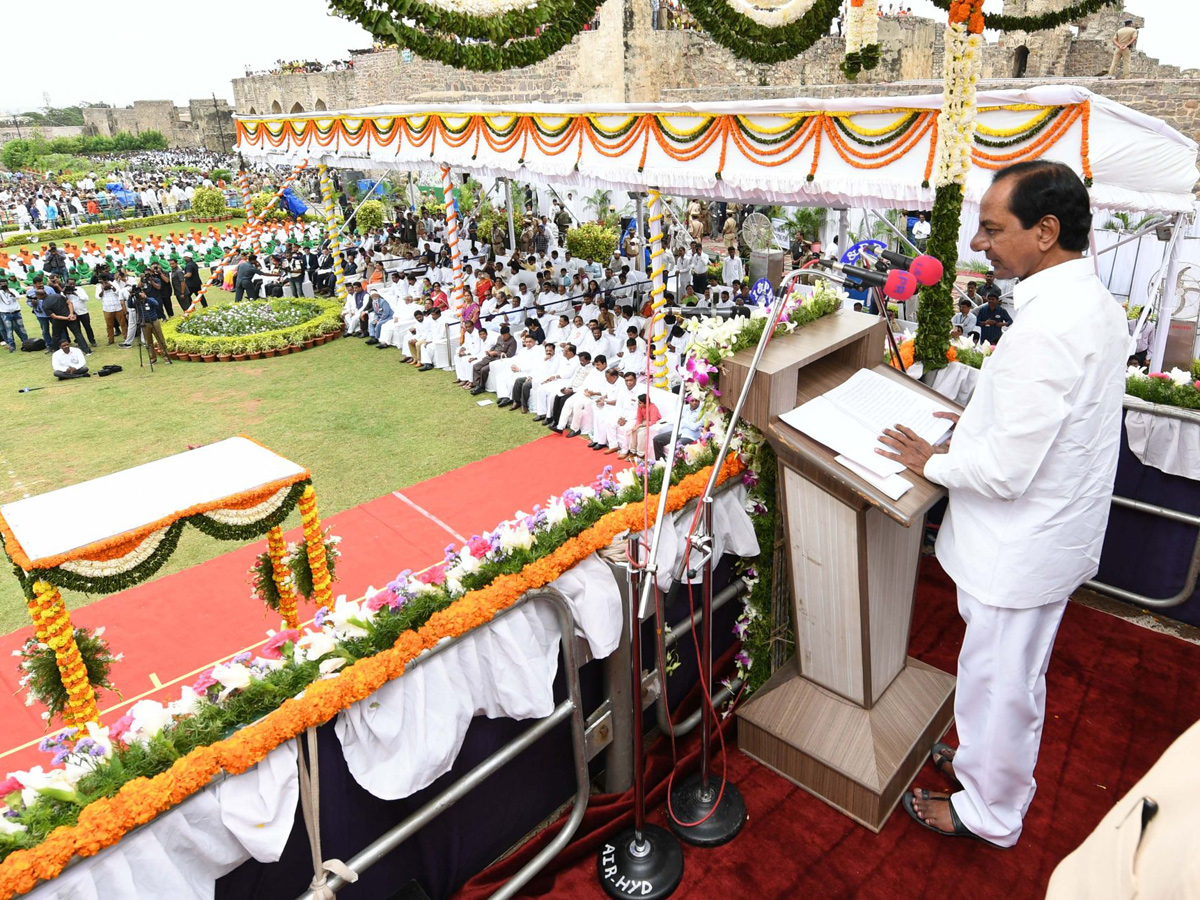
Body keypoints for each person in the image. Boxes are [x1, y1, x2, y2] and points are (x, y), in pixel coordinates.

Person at [878, 160, 1128, 849]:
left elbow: (1007, 469)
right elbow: (1049, 422)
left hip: (1021, 542)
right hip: (1046, 534)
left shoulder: (1052, 323)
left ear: (1046, 232)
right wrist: (976, 424)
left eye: (992, 229)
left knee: (1002, 682)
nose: (979, 244)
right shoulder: (1088, 303)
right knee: (1001, 675)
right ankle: (982, 766)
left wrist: (934, 460)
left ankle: (991, 811)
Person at [98, 278, 129, 346]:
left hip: (118, 307)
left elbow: (118, 292)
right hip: (107, 308)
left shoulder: (114, 284)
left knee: (123, 323)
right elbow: (98, 297)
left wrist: (111, 286)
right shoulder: (98, 286)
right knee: (109, 325)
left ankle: (126, 337)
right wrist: (103, 289)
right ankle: (111, 340)